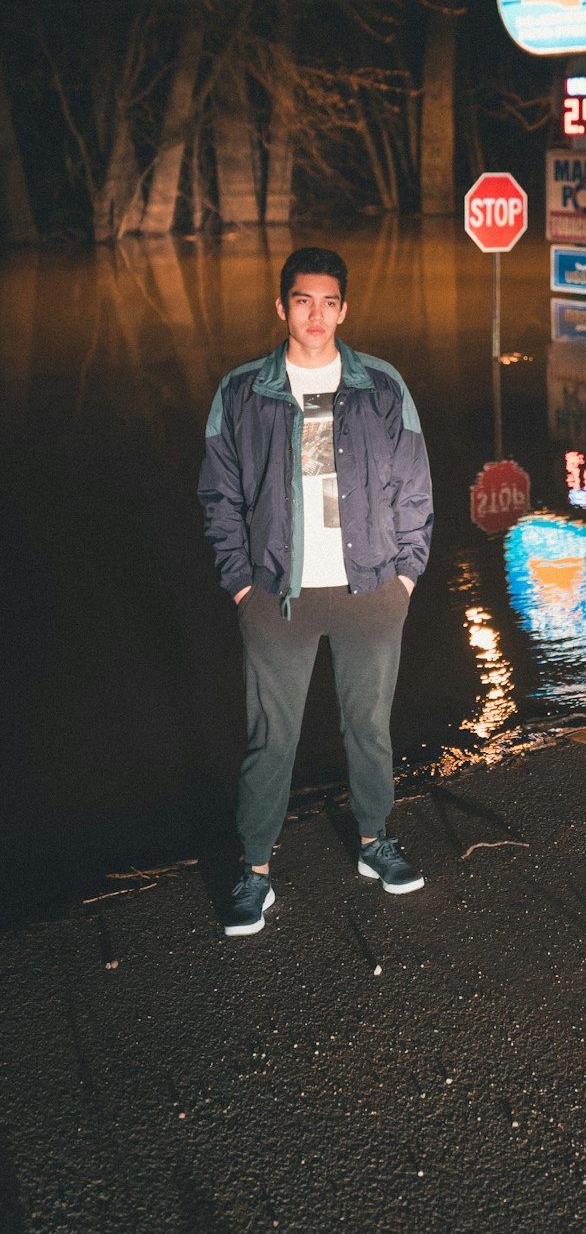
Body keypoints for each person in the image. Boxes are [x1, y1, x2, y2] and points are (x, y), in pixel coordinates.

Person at [198, 246, 433, 936]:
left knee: (369, 727)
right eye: (303, 300)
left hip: (370, 589)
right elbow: (219, 495)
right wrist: (242, 585)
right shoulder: (243, 390)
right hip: (278, 596)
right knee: (271, 737)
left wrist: (406, 575)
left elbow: (416, 485)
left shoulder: (381, 385)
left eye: (330, 302)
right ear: (282, 307)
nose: (317, 315)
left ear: (344, 309)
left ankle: (374, 842)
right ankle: (255, 874)